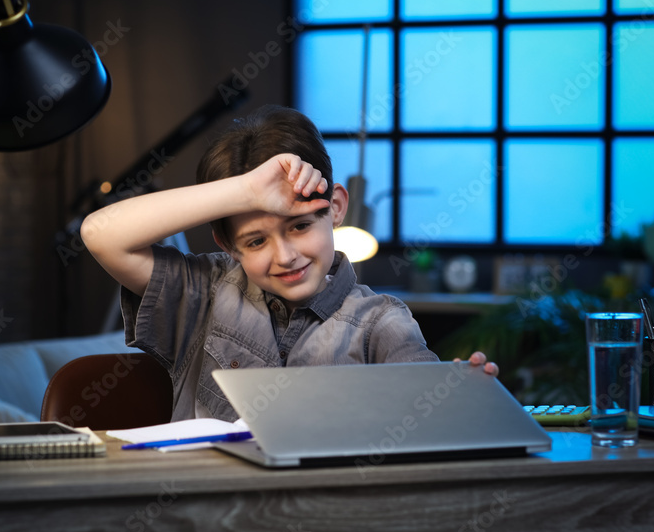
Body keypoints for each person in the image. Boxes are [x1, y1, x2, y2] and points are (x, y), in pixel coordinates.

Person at [81, 105, 496, 421]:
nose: (285, 256)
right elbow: (100, 234)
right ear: (227, 243)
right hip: (206, 518)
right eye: (256, 240)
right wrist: (246, 191)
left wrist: (452, 396)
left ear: (334, 208)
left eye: (299, 226)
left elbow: (430, 414)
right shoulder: (201, 292)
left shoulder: (382, 321)